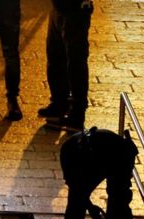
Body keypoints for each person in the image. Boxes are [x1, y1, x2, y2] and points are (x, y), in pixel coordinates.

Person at [56, 127, 138, 219]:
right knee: (76, 206)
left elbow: (119, 201)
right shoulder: (81, 158)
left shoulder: (121, 158)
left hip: (93, 155)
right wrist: (90, 207)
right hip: (80, 155)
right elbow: (78, 191)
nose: (130, 175)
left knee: (121, 211)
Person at [38, 0, 93, 131]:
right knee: (55, 57)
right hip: (58, 9)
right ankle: (59, 103)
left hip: (76, 11)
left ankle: (77, 113)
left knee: (75, 63)